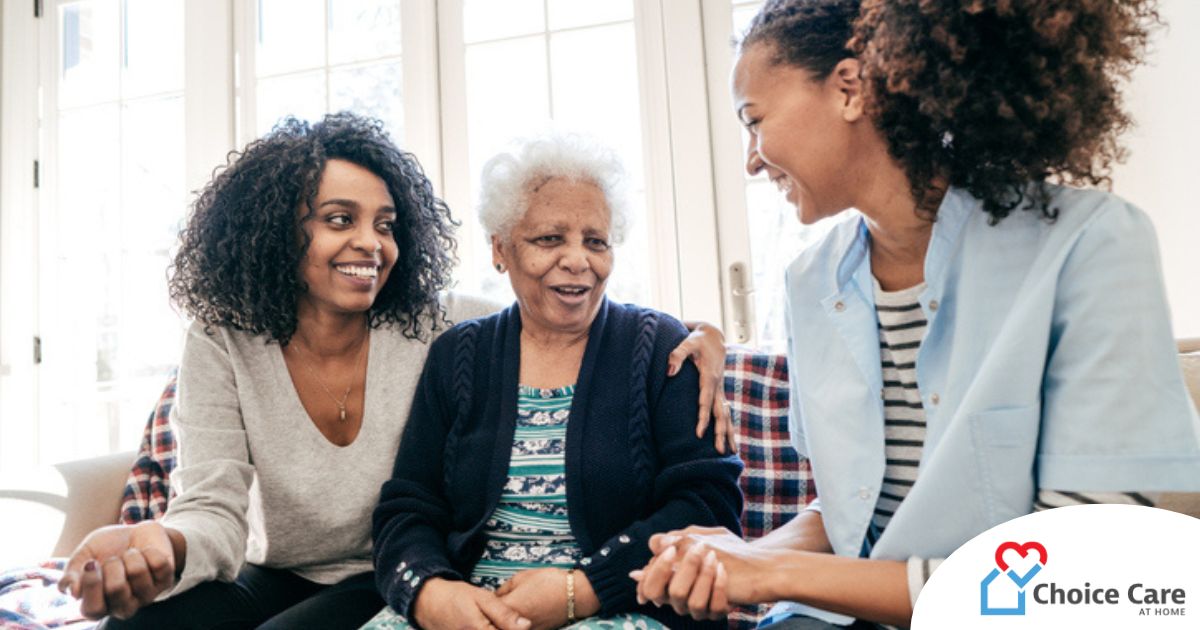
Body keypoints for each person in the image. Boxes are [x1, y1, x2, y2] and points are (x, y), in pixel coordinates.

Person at [633, 1, 1200, 628]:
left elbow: (1071, 574)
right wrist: (733, 557)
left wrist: (769, 571)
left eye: (754, 119)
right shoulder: (809, 280)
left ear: (849, 88)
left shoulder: (1091, 245)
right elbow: (850, 512)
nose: (751, 159)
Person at [55, 113, 730, 629]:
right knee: (142, 622)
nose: (370, 244)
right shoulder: (225, 341)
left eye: (385, 223)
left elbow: (557, 309)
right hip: (282, 566)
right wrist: (161, 544)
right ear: (276, 232)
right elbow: (214, 511)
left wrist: (705, 334)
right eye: (339, 220)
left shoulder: (438, 325)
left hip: (378, 575)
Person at [363, 133, 744, 630]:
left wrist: (582, 590)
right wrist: (432, 593)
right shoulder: (459, 354)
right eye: (549, 239)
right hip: (474, 611)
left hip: (622, 606)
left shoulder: (661, 349)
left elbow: (708, 507)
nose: (577, 260)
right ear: (500, 249)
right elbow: (408, 507)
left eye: (596, 241)